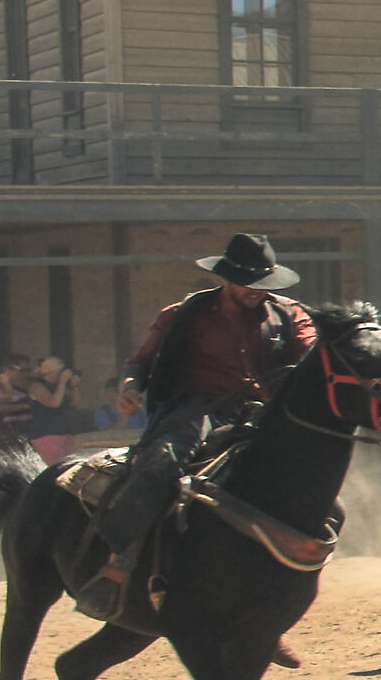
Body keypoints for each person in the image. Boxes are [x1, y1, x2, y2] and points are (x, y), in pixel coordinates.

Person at [80, 232, 318, 653]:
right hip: (195, 411)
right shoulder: (183, 315)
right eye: (246, 282)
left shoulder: (289, 315)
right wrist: (131, 387)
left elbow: (312, 354)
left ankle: (269, 611)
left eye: (261, 283)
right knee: (161, 465)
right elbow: (141, 364)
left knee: (302, 486)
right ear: (226, 278)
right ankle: (116, 567)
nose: (254, 291)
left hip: (260, 414)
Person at [27, 356, 80, 465]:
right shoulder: (36, 386)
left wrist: (74, 387)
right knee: (55, 468)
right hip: (47, 435)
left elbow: (74, 403)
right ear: (51, 373)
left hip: (64, 431)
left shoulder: (59, 387)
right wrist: (62, 382)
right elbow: (54, 403)